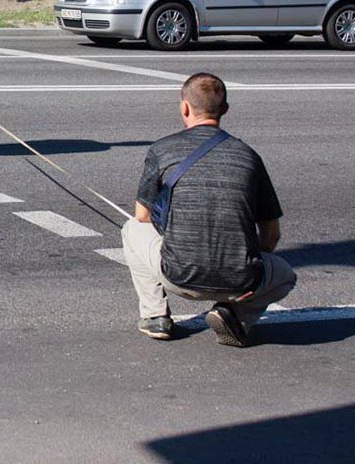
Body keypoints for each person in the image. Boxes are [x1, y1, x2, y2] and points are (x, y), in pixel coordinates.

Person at [122, 73, 296, 347]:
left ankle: (155, 316)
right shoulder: (249, 156)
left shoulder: (162, 149)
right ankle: (234, 313)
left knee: (132, 228)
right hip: (241, 282)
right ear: (225, 110)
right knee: (286, 276)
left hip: (178, 276)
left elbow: (142, 216)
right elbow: (271, 234)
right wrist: (246, 265)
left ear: (185, 107)